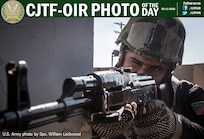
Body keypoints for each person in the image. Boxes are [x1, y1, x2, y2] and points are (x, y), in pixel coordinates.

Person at [91, 18, 204, 139]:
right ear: (121, 58)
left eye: (155, 68)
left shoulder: (189, 95)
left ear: (168, 72)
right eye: (135, 62)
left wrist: (175, 127)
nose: (141, 73)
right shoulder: (103, 93)